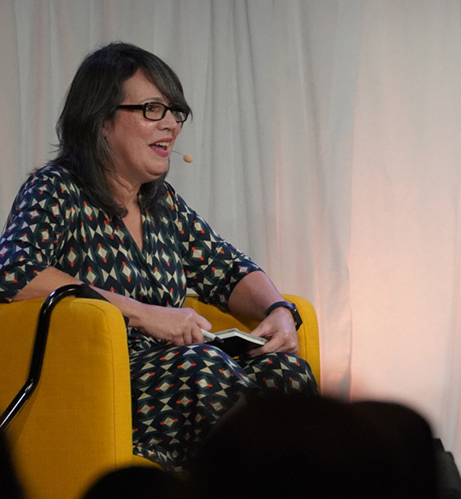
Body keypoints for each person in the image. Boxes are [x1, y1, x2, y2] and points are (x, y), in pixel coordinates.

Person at [0, 42, 318, 470]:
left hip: (179, 378)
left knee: (286, 373)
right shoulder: (56, 189)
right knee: (202, 367)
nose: (170, 124)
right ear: (101, 122)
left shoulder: (160, 202)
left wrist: (278, 310)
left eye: (174, 112)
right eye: (152, 109)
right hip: (101, 385)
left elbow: (226, 269)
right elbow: (14, 272)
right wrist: (143, 313)